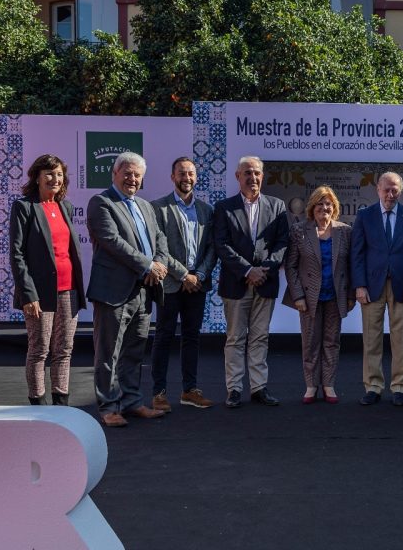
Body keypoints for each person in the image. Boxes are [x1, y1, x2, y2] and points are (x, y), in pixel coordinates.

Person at [86, 152, 170, 427]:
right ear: (115, 174)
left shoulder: (146, 206)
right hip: (113, 291)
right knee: (108, 353)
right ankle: (109, 407)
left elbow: (160, 239)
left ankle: (132, 402)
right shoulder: (101, 203)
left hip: (145, 290)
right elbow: (112, 241)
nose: (132, 179)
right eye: (127, 173)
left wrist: (159, 264)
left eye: (137, 175)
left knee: (135, 351)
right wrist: (148, 266)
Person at [9, 154, 87, 406]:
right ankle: (38, 405)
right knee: (39, 350)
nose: (55, 179)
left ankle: (61, 404)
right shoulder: (24, 207)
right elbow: (17, 254)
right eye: (49, 174)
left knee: (64, 349)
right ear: (37, 177)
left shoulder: (66, 207)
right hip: (39, 293)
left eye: (59, 174)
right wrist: (28, 295)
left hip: (70, 289)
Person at [213, 156, 289, 408]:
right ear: (238, 176)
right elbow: (221, 245)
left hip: (265, 282)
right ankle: (234, 389)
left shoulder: (277, 206)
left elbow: (282, 243)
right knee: (235, 338)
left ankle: (258, 388)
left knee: (260, 337)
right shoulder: (224, 207)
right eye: (247, 173)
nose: (252, 177)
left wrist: (264, 269)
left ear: (262, 176)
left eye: (256, 173)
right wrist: (247, 271)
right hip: (236, 283)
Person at [351, 172, 403, 407]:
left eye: (395, 190)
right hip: (371, 286)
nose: (390, 194)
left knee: (401, 339)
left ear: (400, 191)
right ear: (378, 189)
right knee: (371, 338)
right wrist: (359, 285)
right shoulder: (365, 216)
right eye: (386, 189)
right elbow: (357, 254)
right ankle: (373, 386)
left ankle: (400, 387)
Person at [149, 157, 217, 411]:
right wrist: (183, 275)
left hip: (197, 284)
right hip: (170, 283)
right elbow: (160, 249)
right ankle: (159, 393)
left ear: (196, 177)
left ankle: (189, 390)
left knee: (192, 337)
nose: (186, 178)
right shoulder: (159, 208)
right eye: (181, 173)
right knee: (163, 336)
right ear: (172, 177)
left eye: (190, 173)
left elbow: (212, 247)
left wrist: (199, 275)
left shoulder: (206, 210)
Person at [282, 186, 354, 404]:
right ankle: (311, 386)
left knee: (332, 342)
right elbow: (291, 266)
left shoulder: (345, 231)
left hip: (335, 296)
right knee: (310, 342)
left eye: (328, 204)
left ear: (335, 207)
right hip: (308, 298)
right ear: (312, 208)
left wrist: (351, 295)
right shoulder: (299, 230)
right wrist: (298, 296)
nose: (324, 208)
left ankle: (329, 385)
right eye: (320, 204)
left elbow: (352, 265)